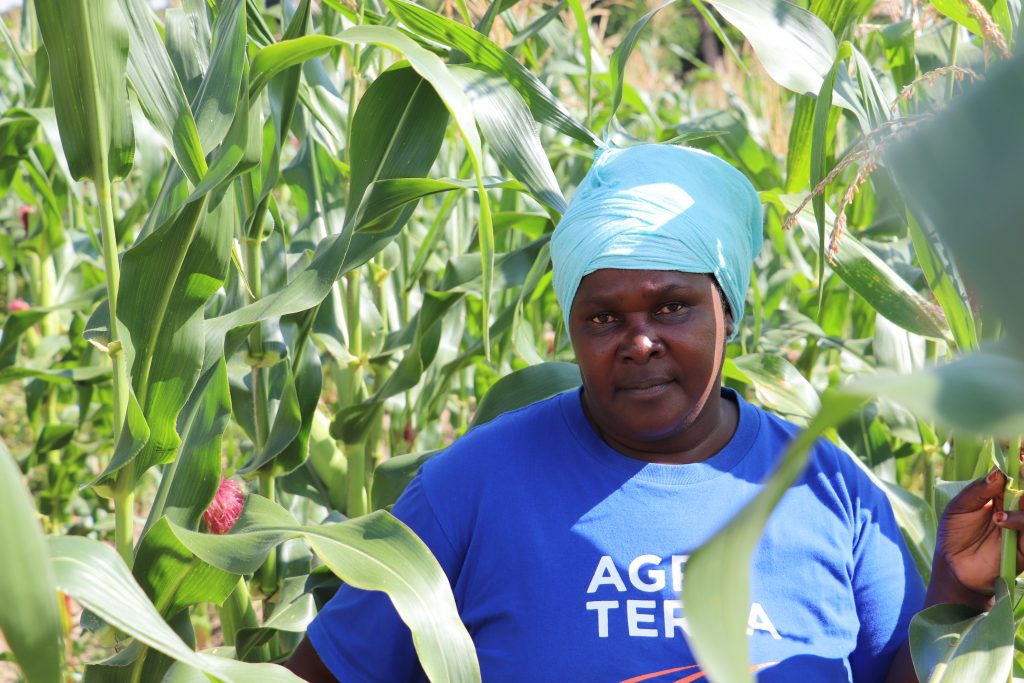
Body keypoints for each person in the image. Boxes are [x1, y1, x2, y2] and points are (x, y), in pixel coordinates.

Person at [287, 145, 1023, 682]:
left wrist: (960, 591)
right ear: (570, 332)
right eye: (604, 318)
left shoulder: (829, 489)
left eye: (673, 306)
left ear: (726, 313)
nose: (639, 342)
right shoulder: (469, 490)